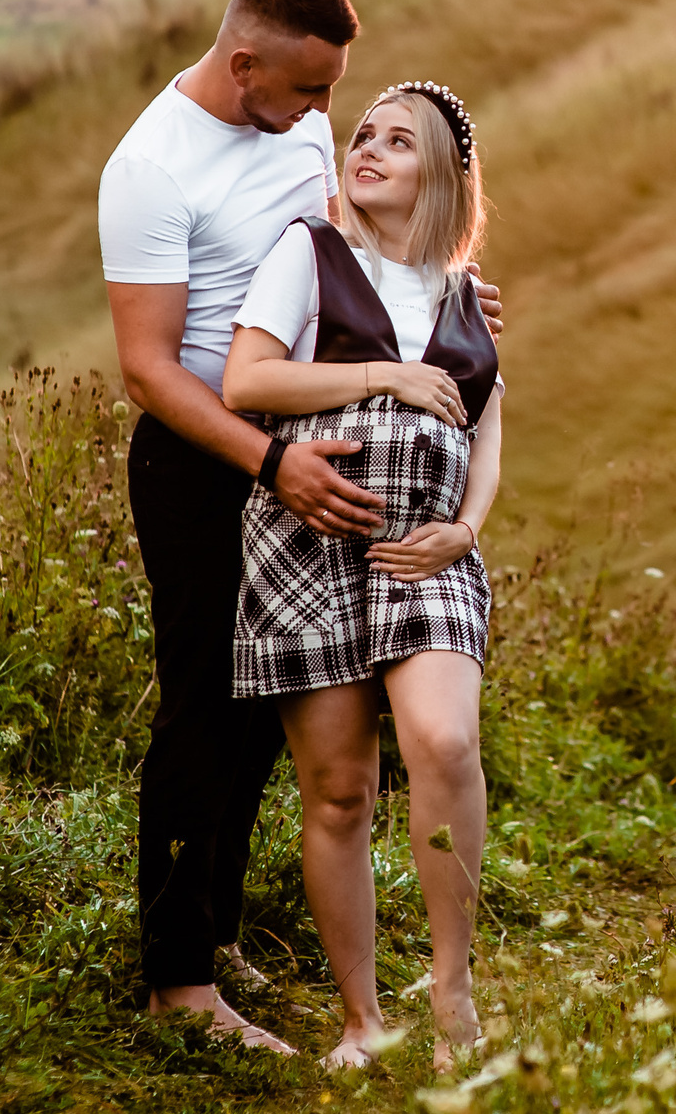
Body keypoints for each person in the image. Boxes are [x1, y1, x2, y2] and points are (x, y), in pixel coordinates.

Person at [98, 0, 501, 1052]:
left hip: (305, 449)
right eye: (310, 92)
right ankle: (177, 983)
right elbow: (148, 370)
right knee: (200, 705)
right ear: (245, 67)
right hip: (201, 457)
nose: (324, 119)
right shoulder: (149, 169)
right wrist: (269, 462)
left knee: (268, 707)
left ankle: (215, 925)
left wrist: (441, 299)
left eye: (336, 94)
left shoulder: (301, 128)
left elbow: (344, 253)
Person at [222, 80, 501, 1073]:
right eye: (363, 135)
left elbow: (488, 437)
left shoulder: (471, 298)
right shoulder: (309, 253)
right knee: (339, 788)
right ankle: (361, 1018)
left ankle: (454, 991)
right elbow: (247, 381)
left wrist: (463, 531)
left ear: (442, 176)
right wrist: (380, 375)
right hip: (311, 539)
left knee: (442, 735)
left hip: (423, 546)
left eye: (399, 141)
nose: (369, 149)